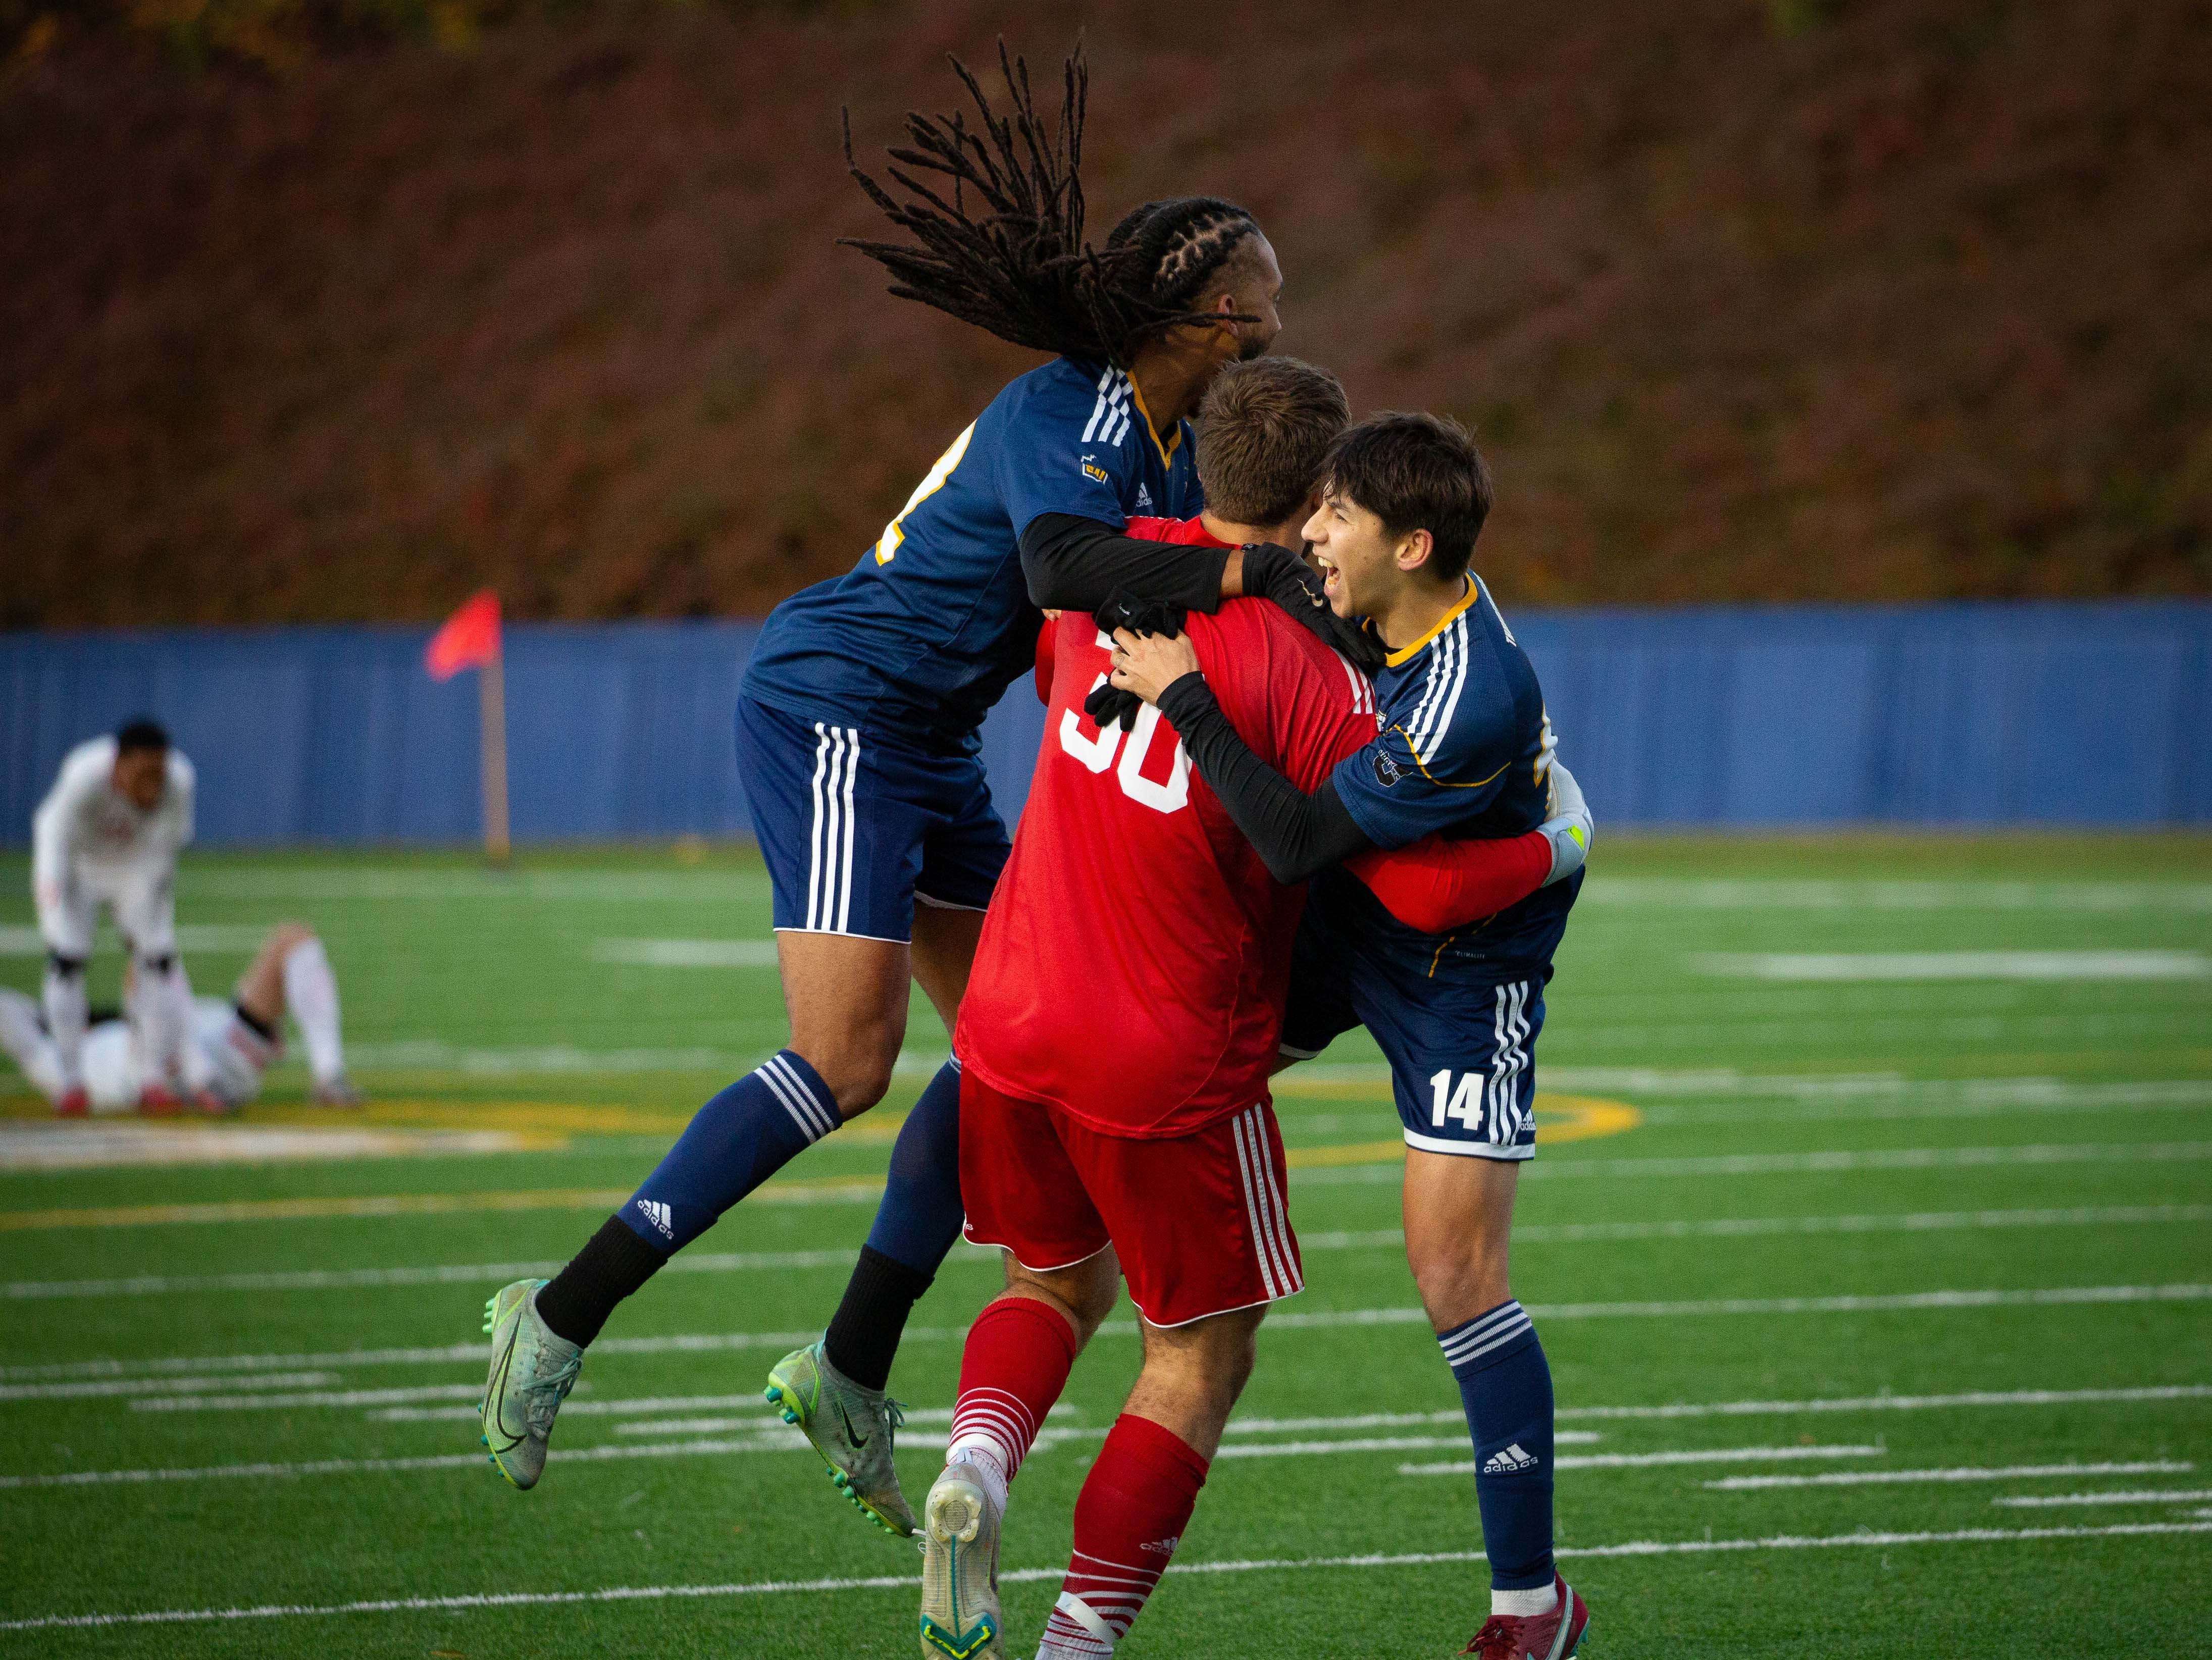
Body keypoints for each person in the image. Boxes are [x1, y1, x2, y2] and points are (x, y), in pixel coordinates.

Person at [476, 46, 1366, 1514]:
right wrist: (1262, 568)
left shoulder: (1147, 440)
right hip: (840, 704)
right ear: (1212, 321)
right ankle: (560, 1312)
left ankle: (846, 1361)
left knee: (1005, 1043)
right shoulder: (1068, 415)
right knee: (845, 1060)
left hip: (927, 733)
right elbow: (1058, 567)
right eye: (1266, 309)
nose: (1278, 326)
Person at [1107, 412, 1593, 1660]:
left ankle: (1529, 1608)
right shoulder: (1363, 599)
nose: (1308, 534)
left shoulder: (1468, 697)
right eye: (1312, 505)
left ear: (1412, 543)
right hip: (1359, 913)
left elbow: (1321, 847)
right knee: (1136, 1042)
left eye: (1334, 516)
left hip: (1457, 971)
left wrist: (1185, 699)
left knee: (1455, 1278)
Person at [30, 720, 203, 1116]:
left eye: (157, 774)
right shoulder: (84, 776)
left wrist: (143, 916)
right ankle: (70, 1082)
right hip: (80, 863)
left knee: (158, 961)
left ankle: (152, 1079)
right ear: (118, 765)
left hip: (134, 865)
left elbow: (165, 851)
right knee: (67, 961)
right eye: (143, 774)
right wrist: (52, 891)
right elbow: (54, 835)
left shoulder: (179, 780)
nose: (152, 786)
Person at [0, 923, 359, 1112]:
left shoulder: (55, 1057)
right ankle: (328, 1075)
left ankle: (328, 1077)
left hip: (189, 1060)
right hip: (154, 1071)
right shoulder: (56, 1062)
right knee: (148, 958)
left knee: (293, 939)